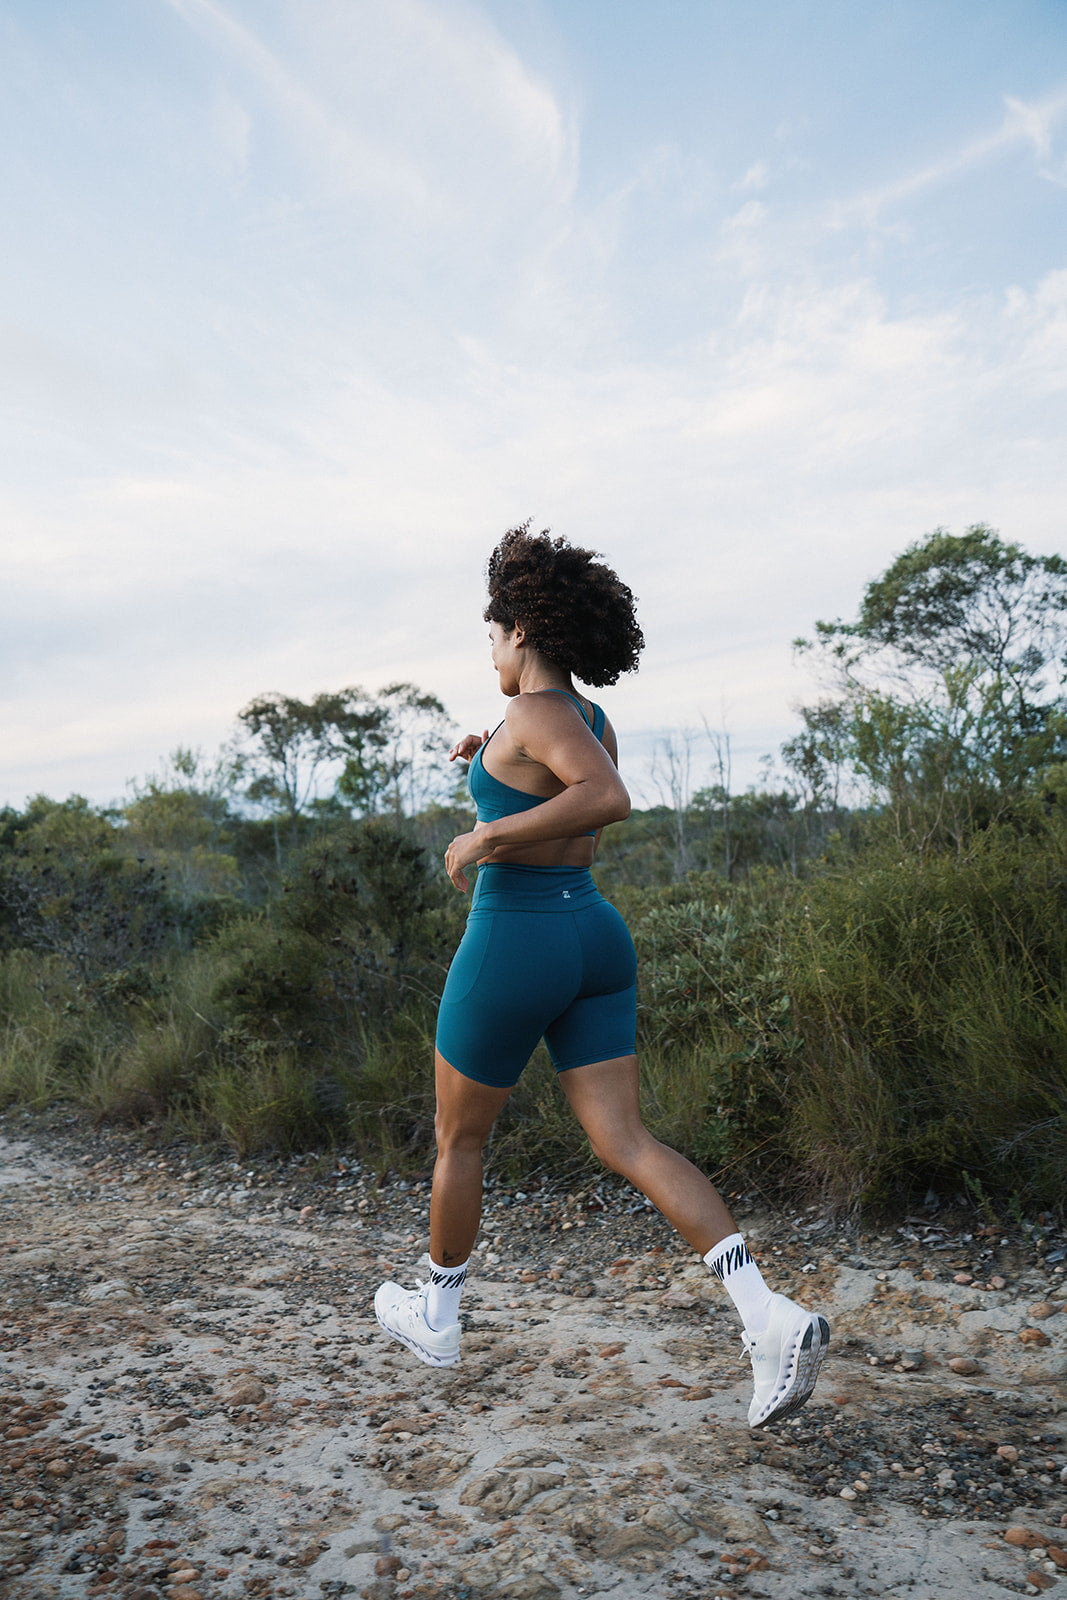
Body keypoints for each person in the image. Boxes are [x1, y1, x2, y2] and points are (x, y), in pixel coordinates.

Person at [375, 526, 829, 1427]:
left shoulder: (533, 714)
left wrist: (482, 835)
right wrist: (483, 761)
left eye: (491, 636)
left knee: (459, 1140)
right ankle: (766, 1316)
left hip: (516, 941)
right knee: (626, 1141)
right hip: (592, 938)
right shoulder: (584, 719)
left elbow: (605, 798)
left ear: (520, 632)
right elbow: (563, 779)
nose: (490, 654)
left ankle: (437, 1315)